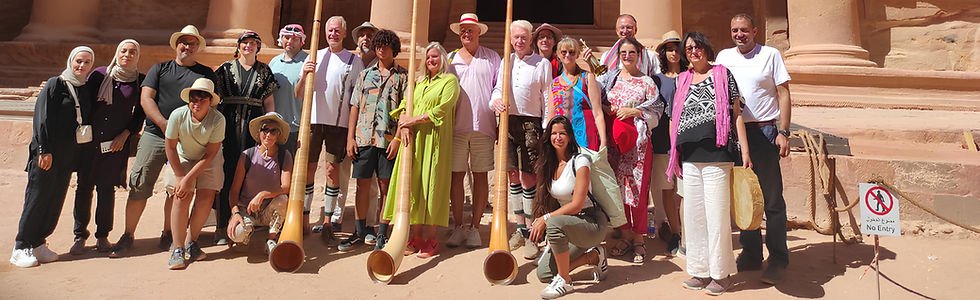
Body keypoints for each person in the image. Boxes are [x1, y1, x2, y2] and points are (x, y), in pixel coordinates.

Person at [111, 25, 216, 258]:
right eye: (184, 42)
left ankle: (168, 233)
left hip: (187, 141)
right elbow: (146, 98)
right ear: (177, 45)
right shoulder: (159, 69)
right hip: (156, 134)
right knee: (140, 184)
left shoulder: (206, 73)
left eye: (192, 43)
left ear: (197, 47)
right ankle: (128, 235)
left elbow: (210, 105)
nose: (187, 47)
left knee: (175, 189)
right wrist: (163, 123)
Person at [667, 31, 751, 296]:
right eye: (689, 48)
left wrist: (745, 151)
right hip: (690, 157)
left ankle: (721, 274)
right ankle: (700, 271)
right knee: (695, 218)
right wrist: (674, 152)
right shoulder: (681, 80)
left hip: (718, 155)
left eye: (698, 46)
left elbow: (736, 114)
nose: (694, 51)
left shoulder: (723, 75)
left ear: (707, 49)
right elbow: (673, 119)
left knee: (716, 216)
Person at [715, 13, 792, 285]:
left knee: (771, 199)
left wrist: (784, 132)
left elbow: (783, 93)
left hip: (764, 132)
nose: (739, 34)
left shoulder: (770, 55)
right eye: (735, 30)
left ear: (755, 31)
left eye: (744, 30)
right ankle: (751, 254)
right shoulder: (724, 57)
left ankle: (778, 258)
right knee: (743, 195)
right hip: (735, 135)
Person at [10, 46, 95, 268]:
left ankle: (39, 243)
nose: (82, 66)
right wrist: (43, 149)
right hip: (47, 154)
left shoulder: (84, 88)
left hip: (67, 156)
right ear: (70, 61)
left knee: (55, 199)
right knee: (37, 198)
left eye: (87, 62)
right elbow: (42, 118)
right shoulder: (55, 84)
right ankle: (21, 246)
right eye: (78, 61)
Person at [383, 42, 459, 258]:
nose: (431, 60)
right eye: (428, 57)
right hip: (414, 140)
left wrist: (412, 121)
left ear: (442, 59)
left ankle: (432, 239)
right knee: (414, 187)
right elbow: (405, 107)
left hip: (435, 140)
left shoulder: (449, 81)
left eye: (435, 56)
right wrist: (405, 127)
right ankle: (416, 237)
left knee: (431, 186)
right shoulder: (418, 82)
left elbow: (442, 110)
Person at [71, 40, 145, 255]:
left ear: (137, 55)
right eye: (123, 50)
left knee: (106, 189)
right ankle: (79, 235)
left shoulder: (140, 81)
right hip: (90, 142)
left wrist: (126, 133)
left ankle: (102, 235)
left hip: (115, 144)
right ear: (117, 52)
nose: (127, 55)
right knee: (84, 188)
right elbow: (83, 102)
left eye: (132, 52)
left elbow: (140, 114)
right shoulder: (100, 75)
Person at [295, 16, 365, 242]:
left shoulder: (353, 61)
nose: (333, 34)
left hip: (338, 124)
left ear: (344, 33)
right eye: (330, 30)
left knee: (332, 170)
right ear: (325, 32)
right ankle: (304, 219)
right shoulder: (314, 57)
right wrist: (304, 75)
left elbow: (357, 99)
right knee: (308, 169)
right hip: (313, 121)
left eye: (337, 30)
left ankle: (328, 220)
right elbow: (298, 94)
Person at [338, 29, 407, 251]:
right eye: (378, 45)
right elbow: (354, 107)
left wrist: (397, 139)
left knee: (386, 187)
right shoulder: (365, 75)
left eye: (385, 46)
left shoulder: (403, 77)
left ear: (394, 49)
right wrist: (350, 138)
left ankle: (382, 234)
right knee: (362, 185)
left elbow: (405, 111)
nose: (381, 49)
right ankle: (359, 231)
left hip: (387, 140)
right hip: (364, 138)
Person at [490, 19, 552, 260]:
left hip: (530, 123)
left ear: (531, 38)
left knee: (529, 177)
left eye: (523, 37)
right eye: (515, 37)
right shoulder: (506, 61)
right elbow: (498, 88)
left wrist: (546, 127)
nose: (519, 41)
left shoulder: (542, 64)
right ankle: (520, 229)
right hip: (508, 121)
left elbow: (547, 96)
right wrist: (495, 101)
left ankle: (531, 234)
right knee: (513, 176)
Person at [596, 37, 663, 264]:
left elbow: (657, 111)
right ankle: (625, 235)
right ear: (618, 55)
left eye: (631, 52)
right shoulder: (610, 79)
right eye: (623, 52)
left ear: (638, 55)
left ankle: (639, 239)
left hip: (638, 146)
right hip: (614, 145)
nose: (627, 56)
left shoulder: (647, 82)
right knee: (618, 191)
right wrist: (609, 109)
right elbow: (597, 101)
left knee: (638, 192)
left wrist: (635, 112)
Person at [530, 116, 609, 299]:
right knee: (544, 274)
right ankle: (594, 256)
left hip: (591, 222)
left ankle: (565, 281)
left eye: (562, 133)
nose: (558, 137)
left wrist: (546, 219)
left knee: (553, 223)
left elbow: (576, 205)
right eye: (554, 133)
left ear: (570, 136)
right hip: (568, 225)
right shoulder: (548, 165)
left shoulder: (580, 161)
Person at [214, 30, 279, 245]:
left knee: (250, 172)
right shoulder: (224, 69)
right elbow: (215, 98)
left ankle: (250, 221)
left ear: (258, 47)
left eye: (253, 43)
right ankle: (222, 225)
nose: (248, 46)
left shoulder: (265, 70)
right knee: (226, 172)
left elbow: (268, 101)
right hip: (228, 125)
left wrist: (270, 124)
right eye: (245, 42)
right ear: (238, 46)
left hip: (254, 126)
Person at [445, 13, 500, 249]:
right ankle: (459, 226)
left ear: (479, 32)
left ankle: (475, 227)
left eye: (470, 30)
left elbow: (498, 86)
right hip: (455, 127)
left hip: (483, 126)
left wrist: (497, 102)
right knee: (456, 176)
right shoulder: (450, 59)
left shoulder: (492, 57)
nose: (467, 34)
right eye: (463, 31)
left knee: (480, 176)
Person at [164, 78, 226, 270]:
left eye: (202, 99)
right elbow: (170, 147)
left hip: (208, 159)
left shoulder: (218, 120)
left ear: (210, 101)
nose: (197, 103)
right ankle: (178, 249)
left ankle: (191, 242)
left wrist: (189, 178)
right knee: (181, 195)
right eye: (194, 99)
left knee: (206, 197)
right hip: (183, 157)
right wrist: (180, 177)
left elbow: (210, 154)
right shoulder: (177, 115)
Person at [226, 112, 292, 255]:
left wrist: (263, 194)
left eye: (273, 131)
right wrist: (235, 214)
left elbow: (286, 187)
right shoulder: (247, 155)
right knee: (238, 234)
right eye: (265, 130)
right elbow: (234, 191)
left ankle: (271, 239)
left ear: (278, 134)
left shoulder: (284, 155)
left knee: (283, 200)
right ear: (258, 133)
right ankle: (246, 236)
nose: (268, 135)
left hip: (269, 210)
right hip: (247, 210)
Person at [269, 24, 309, 231]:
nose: (290, 42)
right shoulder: (274, 62)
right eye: (286, 37)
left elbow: (305, 94)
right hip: (274, 128)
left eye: (294, 38)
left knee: (292, 176)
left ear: (301, 41)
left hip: (295, 128)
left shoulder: (308, 61)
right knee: (274, 174)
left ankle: (292, 219)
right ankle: (274, 218)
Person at [651, 30, 686, 256]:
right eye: (669, 49)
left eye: (677, 49)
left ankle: (687, 233)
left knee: (684, 191)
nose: (674, 53)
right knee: (667, 188)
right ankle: (675, 233)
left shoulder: (691, 76)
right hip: (662, 140)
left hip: (687, 142)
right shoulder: (656, 79)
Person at [548, 37, 606, 151]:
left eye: (572, 52)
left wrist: (603, 141)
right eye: (563, 52)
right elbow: (551, 115)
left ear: (577, 55)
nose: (567, 55)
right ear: (558, 54)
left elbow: (598, 112)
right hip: (561, 140)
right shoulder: (554, 84)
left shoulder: (587, 78)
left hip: (585, 137)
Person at [585, 14, 660, 76]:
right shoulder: (605, 56)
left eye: (629, 27)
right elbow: (600, 80)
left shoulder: (650, 57)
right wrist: (591, 64)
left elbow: (659, 80)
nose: (625, 31)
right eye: (622, 27)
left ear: (635, 30)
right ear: (617, 30)